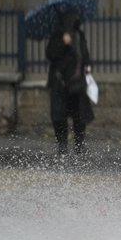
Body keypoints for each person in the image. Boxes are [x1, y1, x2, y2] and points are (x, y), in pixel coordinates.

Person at [46, 9, 94, 154]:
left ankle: (79, 144)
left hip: (77, 81)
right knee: (59, 115)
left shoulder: (79, 34)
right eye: (74, 17)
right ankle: (62, 144)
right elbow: (50, 54)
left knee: (79, 115)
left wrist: (88, 64)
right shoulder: (57, 35)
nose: (76, 19)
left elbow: (84, 52)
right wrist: (63, 43)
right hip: (60, 82)